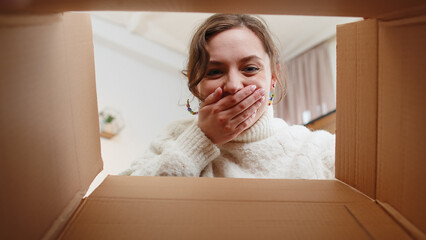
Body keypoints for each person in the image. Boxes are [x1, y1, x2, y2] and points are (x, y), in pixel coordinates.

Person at [121, 14, 335, 179]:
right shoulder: (173, 138)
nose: (233, 85)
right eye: (214, 72)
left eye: (250, 68)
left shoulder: (317, 149)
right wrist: (200, 139)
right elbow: (123, 206)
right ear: (196, 84)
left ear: (273, 78)